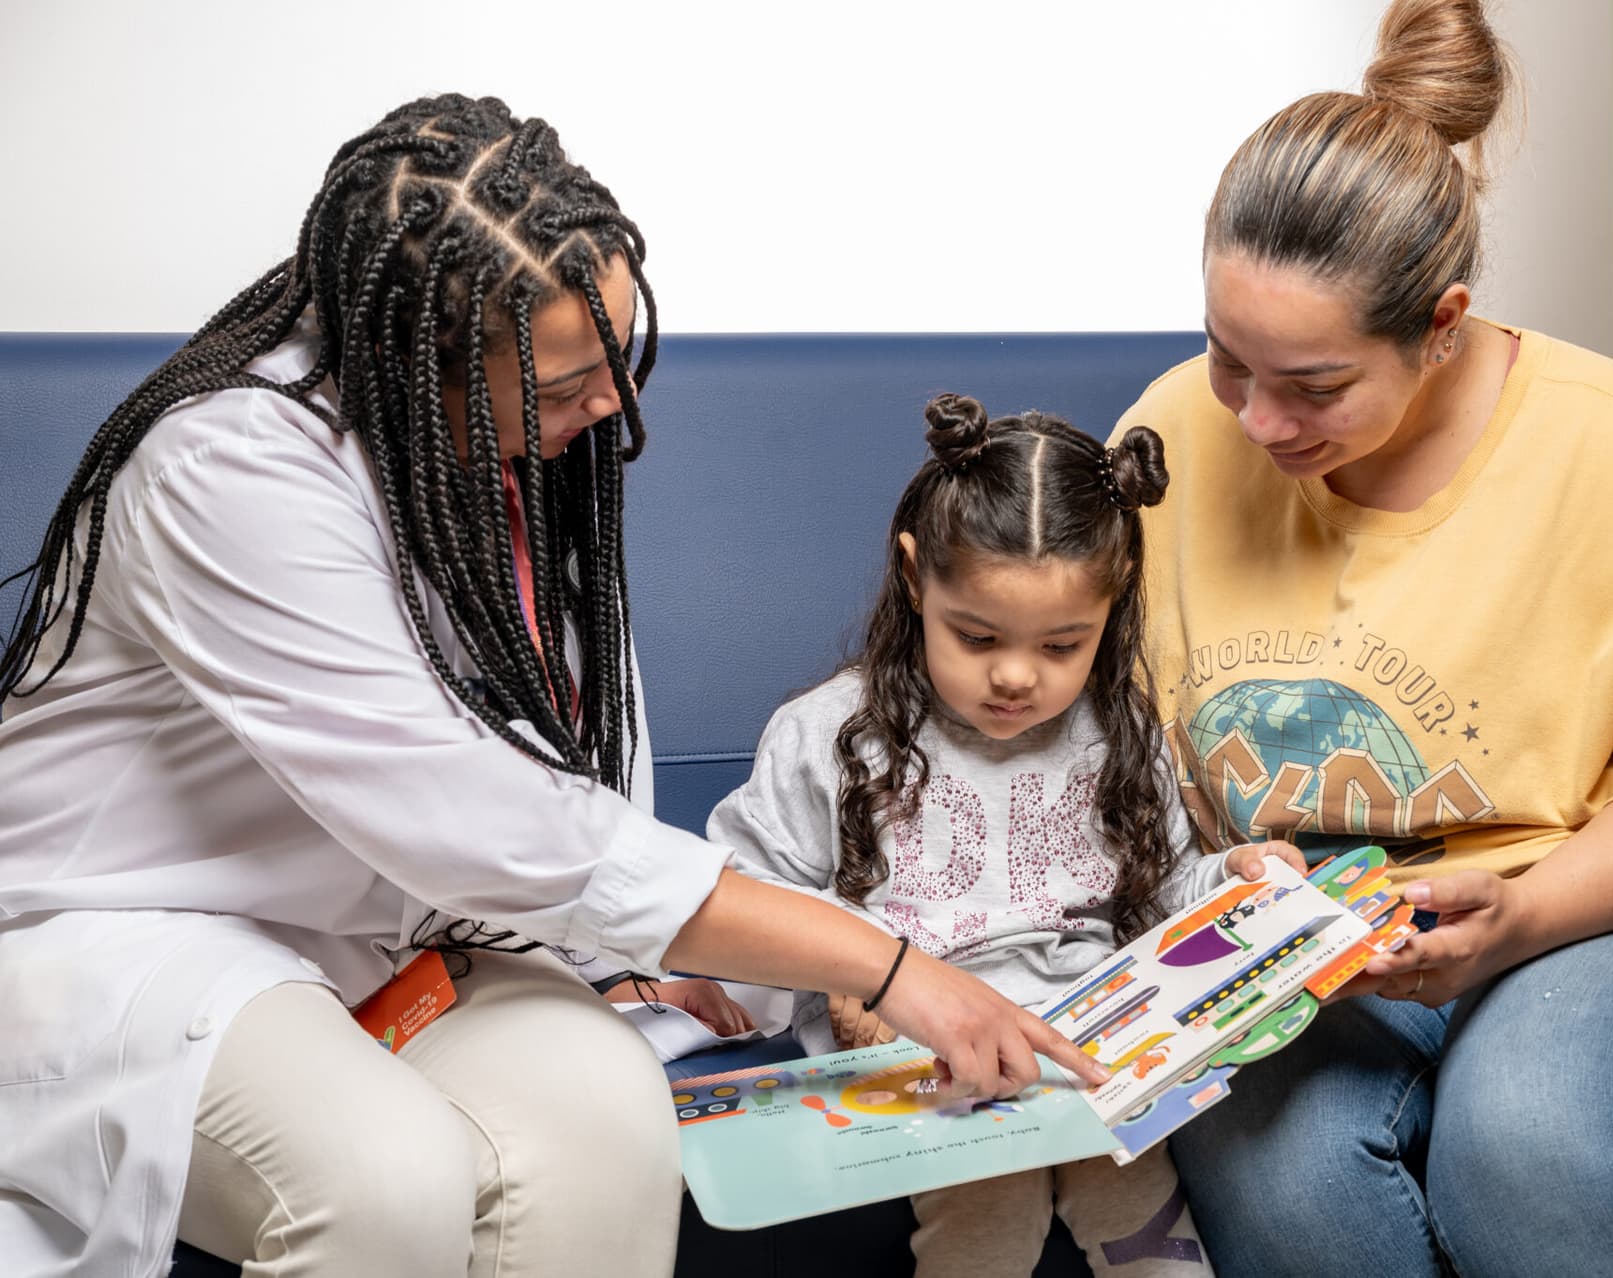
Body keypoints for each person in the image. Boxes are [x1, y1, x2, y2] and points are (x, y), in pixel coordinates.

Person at [0, 95, 1101, 1278]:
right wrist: (885, 966)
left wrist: (629, 940)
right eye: (571, 376)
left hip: (401, 939)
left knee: (607, 1118)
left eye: (618, 357)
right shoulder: (229, 470)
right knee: (386, 1181)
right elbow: (466, 813)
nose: (613, 408)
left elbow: (571, 779)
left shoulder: (503, 462)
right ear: (419, 367)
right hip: (139, 930)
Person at [1115, 2, 1613, 1275]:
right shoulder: (1172, 433)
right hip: (1313, 956)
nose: (1259, 422)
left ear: (1440, 327)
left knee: (1527, 1140)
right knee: (1271, 1165)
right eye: (1232, 360)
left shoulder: (1608, 441)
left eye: (1317, 387)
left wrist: (1527, 912)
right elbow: (1096, 735)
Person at [714, 394, 1275, 1277]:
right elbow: (745, 897)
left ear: (1115, 599)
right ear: (913, 578)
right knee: (990, 1198)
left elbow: (1166, 895)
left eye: (1062, 645)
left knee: (1136, 1190)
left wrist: (1236, 881)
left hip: (1090, 1045)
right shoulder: (827, 736)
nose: (1016, 677)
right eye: (975, 636)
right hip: (925, 1054)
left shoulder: (1119, 728)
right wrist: (846, 977)